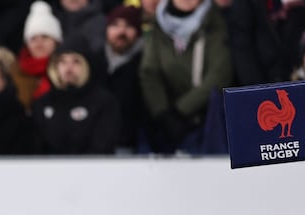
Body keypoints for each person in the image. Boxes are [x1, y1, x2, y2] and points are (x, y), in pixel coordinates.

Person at [139, 0, 233, 154]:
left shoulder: (214, 23)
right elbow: (149, 72)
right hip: (162, 121)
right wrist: (162, 114)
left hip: (203, 120)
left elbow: (219, 75)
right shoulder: (159, 25)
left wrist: (180, 111)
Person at [31, 40, 120, 154]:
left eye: (76, 62)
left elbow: (102, 148)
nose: (68, 68)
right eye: (62, 61)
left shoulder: (104, 103)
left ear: (87, 65)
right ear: (54, 66)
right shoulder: (42, 103)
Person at [97, 4, 145, 152]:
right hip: (94, 147)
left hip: (130, 146)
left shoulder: (145, 63)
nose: (121, 32)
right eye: (115, 25)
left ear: (137, 32)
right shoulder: (94, 61)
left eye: (128, 26)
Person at [12, 0, 62, 112]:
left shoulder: (66, 70)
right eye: (33, 39)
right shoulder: (15, 72)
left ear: (56, 41)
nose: (39, 44)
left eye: (45, 37)